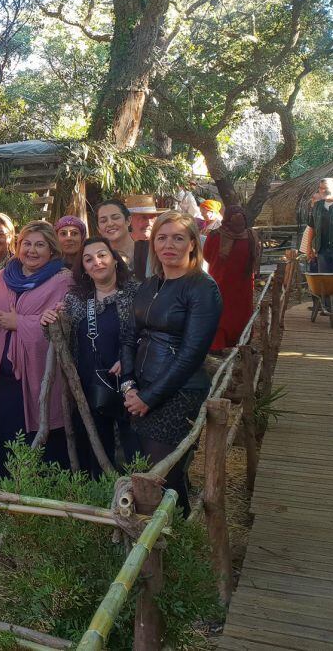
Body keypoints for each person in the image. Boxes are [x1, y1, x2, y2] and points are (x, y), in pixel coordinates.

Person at [123, 211, 222, 514]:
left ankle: (172, 543)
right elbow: (128, 337)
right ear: (153, 245)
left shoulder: (202, 288)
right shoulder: (150, 285)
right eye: (162, 238)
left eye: (178, 238)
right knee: (143, 469)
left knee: (162, 476)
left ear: (193, 243)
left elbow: (191, 354)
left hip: (178, 395)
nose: (169, 245)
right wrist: (129, 386)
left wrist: (149, 399)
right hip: (139, 390)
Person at [0, 221, 72, 477]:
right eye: (27, 244)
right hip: (5, 379)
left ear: (52, 250)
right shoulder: (3, 277)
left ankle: (43, 499)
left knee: (43, 434)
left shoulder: (63, 280)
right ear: (18, 245)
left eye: (40, 245)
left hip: (41, 377)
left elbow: (64, 325)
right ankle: (9, 495)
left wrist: (20, 323)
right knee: (9, 434)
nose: (32, 250)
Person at [40, 238, 140, 478]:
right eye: (88, 259)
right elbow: (58, 336)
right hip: (90, 387)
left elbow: (149, 334)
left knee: (133, 451)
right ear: (83, 268)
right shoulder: (76, 300)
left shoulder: (137, 293)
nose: (97, 262)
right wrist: (48, 321)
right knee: (97, 451)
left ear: (115, 259)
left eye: (102, 255)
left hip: (132, 386)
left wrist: (130, 360)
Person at [203, 205, 260, 351]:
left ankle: (218, 343)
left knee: (220, 313)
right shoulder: (251, 236)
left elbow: (207, 256)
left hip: (220, 282)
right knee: (242, 312)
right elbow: (256, 257)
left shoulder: (214, 235)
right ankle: (242, 342)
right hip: (244, 284)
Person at [125, 194, 167, 279]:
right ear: (129, 220)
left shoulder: (163, 245)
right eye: (143, 218)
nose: (148, 223)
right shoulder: (120, 244)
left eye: (152, 218)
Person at [95, 199, 138, 275]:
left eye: (115, 218)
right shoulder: (97, 261)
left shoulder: (150, 252)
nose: (110, 224)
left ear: (128, 220)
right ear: (98, 229)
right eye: (103, 221)